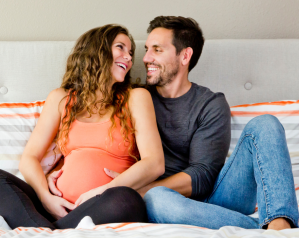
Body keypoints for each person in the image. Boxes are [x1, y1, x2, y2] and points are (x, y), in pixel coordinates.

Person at [100, 16, 298, 230]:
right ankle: (261, 229)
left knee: (265, 124)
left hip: (219, 196)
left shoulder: (210, 103)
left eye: (157, 50)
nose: (146, 58)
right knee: (158, 199)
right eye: (147, 49)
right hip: (166, 203)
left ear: (185, 56)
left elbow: (203, 174)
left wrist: (143, 190)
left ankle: (280, 223)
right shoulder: (136, 99)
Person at [0, 24, 164, 230]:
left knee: (126, 199)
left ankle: (42, 230)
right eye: (121, 48)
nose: (128, 57)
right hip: (55, 205)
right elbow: (29, 158)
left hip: (105, 204)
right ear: (96, 51)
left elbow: (154, 163)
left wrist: (103, 190)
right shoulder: (61, 99)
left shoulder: (136, 97)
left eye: (131, 52)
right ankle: (51, 229)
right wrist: (46, 197)